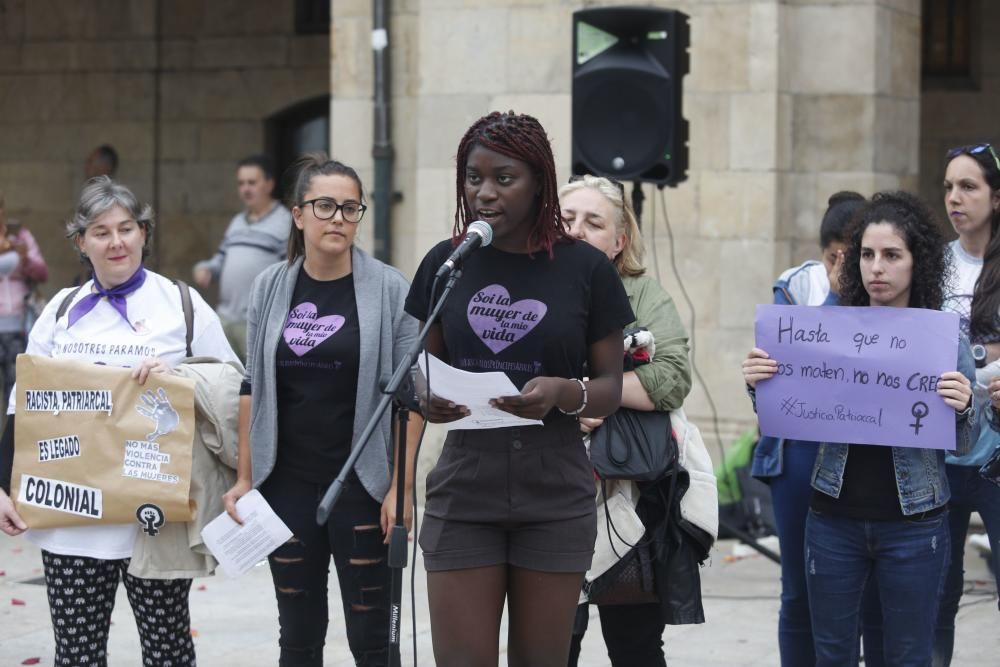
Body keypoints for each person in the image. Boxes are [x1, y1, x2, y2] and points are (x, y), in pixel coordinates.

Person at [404, 111, 634, 666]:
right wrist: (425, 398)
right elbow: (415, 371)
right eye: (473, 178)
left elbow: (609, 385)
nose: (485, 193)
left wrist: (562, 392)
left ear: (539, 183)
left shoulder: (584, 269)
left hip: (554, 493)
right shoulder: (447, 263)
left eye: (503, 179)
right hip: (465, 491)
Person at [0, 176, 237, 666]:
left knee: (168, 650)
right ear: (81, 242)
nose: (116, 242)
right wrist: (2, 483)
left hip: (155, 519)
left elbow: (235, 387)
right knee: (77, 655)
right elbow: (24, 405)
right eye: (101, 231)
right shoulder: (59, 313)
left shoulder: (182, 305)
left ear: (144, 233)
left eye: (127, 228)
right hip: (71, 520)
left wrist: (179, 374)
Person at [742, 191, 977, 666]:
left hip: (915, 525)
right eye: (867, 255)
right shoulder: (824, 332)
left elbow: (966, 442)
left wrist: (965, 406)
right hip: (832, 520)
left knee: (908, 655)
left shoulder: (943, 336)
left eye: (892, 255)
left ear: (918, 263)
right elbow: (785, 410)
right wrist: (758, 384)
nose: (877, 268)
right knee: (832, 654)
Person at [222, 153, 420, 666]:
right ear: (298, 214)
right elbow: (252, 386)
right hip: (285, 484)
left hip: (362, 486)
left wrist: (401, 488)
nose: (338, 218)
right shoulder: (270, 287)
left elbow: (412, 398)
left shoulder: (391, 289)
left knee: (374, 640)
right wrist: (245, 478)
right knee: (298, 637)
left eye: (350, 208)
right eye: (325, 205)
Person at [559, 174, 695, 666]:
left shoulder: (642, 294)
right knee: (553, 642)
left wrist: (593, 397)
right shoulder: (524, 288)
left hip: (628, 493)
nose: (576, 230)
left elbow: (674, 375)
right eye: (567, 218)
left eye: (594, 223)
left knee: (634, 644)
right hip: (544, 488)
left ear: (619, 242)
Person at [751, 191, 879, 667]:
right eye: (835, 259)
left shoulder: (891, 294)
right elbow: (795, 374)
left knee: (865, 593)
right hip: (800, 452)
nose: (847, 270)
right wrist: (833, 294)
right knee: (799, 590)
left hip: (864, 456)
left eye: (857, 258)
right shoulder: (793, 287)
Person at [934, 143, 1000, 666]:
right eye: (949, 188)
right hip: (941, 453)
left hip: (998, 453)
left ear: (996, 198)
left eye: (969, 187)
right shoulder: (931, 264)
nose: (955, 198)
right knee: (937, 596)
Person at [193, 154, 291, 361]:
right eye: (241, 183)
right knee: (227, 380)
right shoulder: (237, 222)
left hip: (259, 322)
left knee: (255, 385)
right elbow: (219, 261)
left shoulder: (286, 223)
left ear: (269, 184)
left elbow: (292, 273)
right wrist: (205, 268)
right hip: (225, 319)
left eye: (252, 183)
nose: (245, 189)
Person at [0, 197, 48, 407]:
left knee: (15, 390)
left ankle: (10, 439)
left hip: (17, 324)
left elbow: (42, 273)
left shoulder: (20, 236)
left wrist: (24, 258)